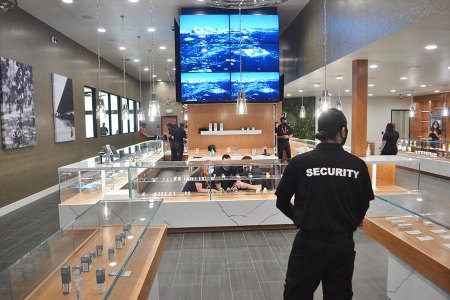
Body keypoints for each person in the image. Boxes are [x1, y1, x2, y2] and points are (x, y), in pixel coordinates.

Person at [275, 108, 374, 300]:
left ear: (320, 131)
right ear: (343, 131)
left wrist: (300, 219)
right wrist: (350, 224)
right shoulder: (357, 166)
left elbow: (281, 201)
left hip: (308, 243)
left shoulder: (299, 163)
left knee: (297, 294)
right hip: (342, 244)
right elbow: (364, 204)